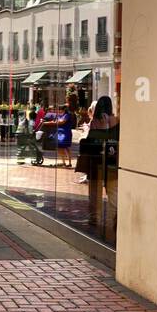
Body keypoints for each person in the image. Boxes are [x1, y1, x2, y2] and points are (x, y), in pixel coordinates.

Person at [80, 96, 120, 228]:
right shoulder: (115, 120)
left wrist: (99, 127)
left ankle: (94, 218)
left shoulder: (95, 122)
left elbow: (93, 140)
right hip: (111, 161)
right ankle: (112, 220)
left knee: (95, 193)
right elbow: (116, 139)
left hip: (95, 160)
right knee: (113, 192)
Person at [56, 96, 77, 169]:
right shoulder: (61, 115)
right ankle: (64, 162)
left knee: (65, 148)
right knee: (60, 147)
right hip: (61, 133)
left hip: (66, 133)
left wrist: (57, 122)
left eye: (60, 110)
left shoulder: (67, 115)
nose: (59, 111)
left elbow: (62, 122)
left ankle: (69, 162)